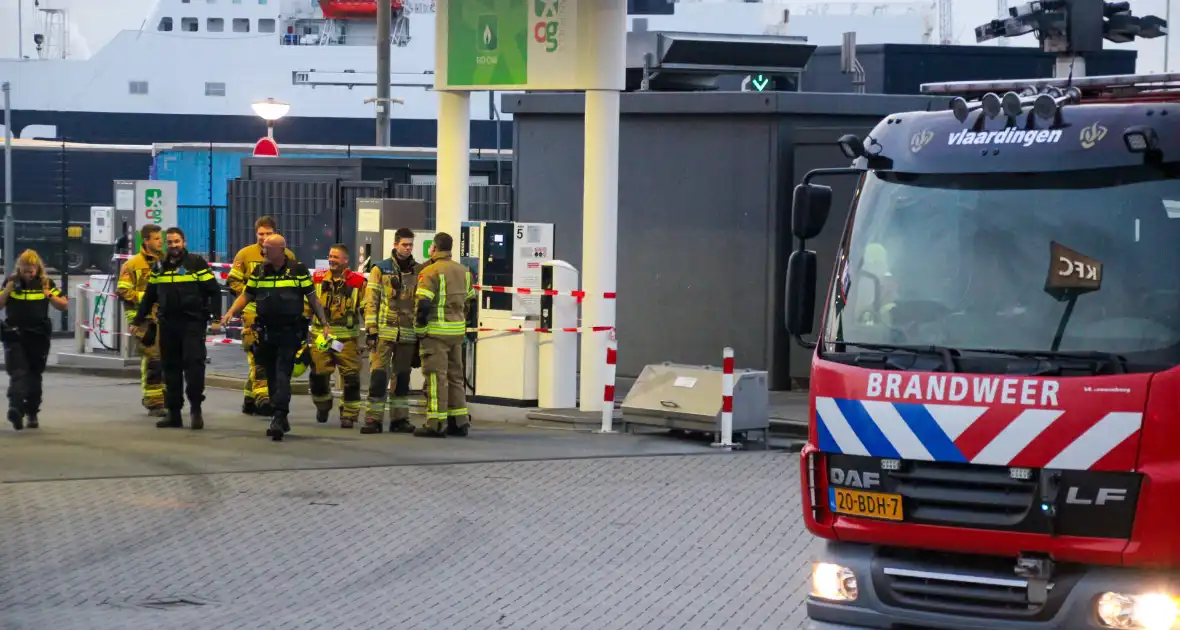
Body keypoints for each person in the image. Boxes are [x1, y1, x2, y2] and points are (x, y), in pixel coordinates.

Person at [221, 234, 331, 441]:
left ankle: (279, 417)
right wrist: (230, 313)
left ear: (281, 250)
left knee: (282, 374)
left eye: (268, 248)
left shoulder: (297, 270)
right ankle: (280, 415)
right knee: (270, 375)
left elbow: (313, 298)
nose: (263, 251)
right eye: (262, 248)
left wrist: (324, 323)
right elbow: (246, 295)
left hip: (289, 332)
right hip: (266, 332)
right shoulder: (259, 271)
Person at [131, 227, 221, 430]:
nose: (173, 245)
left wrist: (216, 318)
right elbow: (149, 296)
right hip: (168, 325)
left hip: (192, 324)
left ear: (184, 242)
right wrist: (137, 320)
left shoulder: (196, 263)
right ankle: (174, 414)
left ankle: (196, 411)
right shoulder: (159, 267)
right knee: (170, 370)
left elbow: (214, 292)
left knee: (194, 368)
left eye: (177, 241)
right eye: (170, 242)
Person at [226, 216, 295, 417]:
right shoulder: (245, 255)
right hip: (252, 313)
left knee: (269, 357)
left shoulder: (288, 254)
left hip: (277, 315)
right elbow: (233, 282)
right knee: (258, 355)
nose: (264, 238)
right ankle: (263, 398)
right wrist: (250, 296)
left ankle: (249, 398)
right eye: (261, 234)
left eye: (268, 233)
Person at [361, 228, 425, 435]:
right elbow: (371, 300)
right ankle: (373, 418)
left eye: (410, 245)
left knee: (402, 378)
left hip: (407, 334)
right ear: (396, 244)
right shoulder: (381, 269)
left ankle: (399, 419)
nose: (408, 248)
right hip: (383, 333)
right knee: (379, 377)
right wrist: (371, 330)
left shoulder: (418, 271)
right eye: (404, 244)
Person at [413, 232, 476, 438]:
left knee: (436, 377)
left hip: (436, 334)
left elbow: (423, 304)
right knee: (455, 377)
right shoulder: (464, 271)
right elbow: (471, 303)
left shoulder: (430, 272)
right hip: (456, 333)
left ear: (434, 247)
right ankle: (459, 422)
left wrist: (420, 330)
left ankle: (436, 423)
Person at [0, 250, 68, 430]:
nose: (29, 274)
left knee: (34, 375)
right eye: (25, 270)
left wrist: (48, 294)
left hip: (38, 335)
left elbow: (63, 305)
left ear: (37, 268)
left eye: (32, 270)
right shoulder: (11, 282)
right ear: (19, 268)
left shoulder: (46, 283)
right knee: (18, 372)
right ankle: (15, 408)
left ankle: (31, 411)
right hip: (15, 334)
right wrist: (7, 291)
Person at [308, 244, 366, 428]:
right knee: (318, 374)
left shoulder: (357, 282)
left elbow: (367, 306)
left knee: (351, 378)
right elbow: (307, 304)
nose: (331, 260)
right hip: (322, 337)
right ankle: (323, 405)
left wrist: (372, 330)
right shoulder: (317, 279)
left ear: (345, 260)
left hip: (347, 340)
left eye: (336, 257)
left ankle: (349, 415)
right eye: (330, 256)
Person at [116, 224, 166, 417]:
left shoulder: (166, 262)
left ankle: (164, 397)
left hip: (164, 317)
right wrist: (147, 298)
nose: (160, 242)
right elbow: (123, 290)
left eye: (160, 239)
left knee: (166, 359)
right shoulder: (132, 265)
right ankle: (154, 401)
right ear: (145, 240)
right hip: (144, 319)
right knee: (153, 358)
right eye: (156, 239)